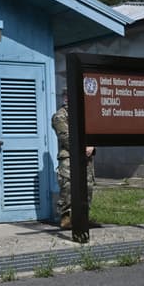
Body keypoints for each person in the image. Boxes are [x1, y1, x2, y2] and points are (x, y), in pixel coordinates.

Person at [52, 88, 95, 230]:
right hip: (69, 158)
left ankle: (83, 218)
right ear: (65, 98)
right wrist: (82, 148)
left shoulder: (85, 114)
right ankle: (66, 218)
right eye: (68, 96)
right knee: (68, 188)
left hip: (86, 157)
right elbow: (66, 137)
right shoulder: (60, 116)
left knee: (87, 187)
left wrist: (92, 146)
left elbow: (93, 131)